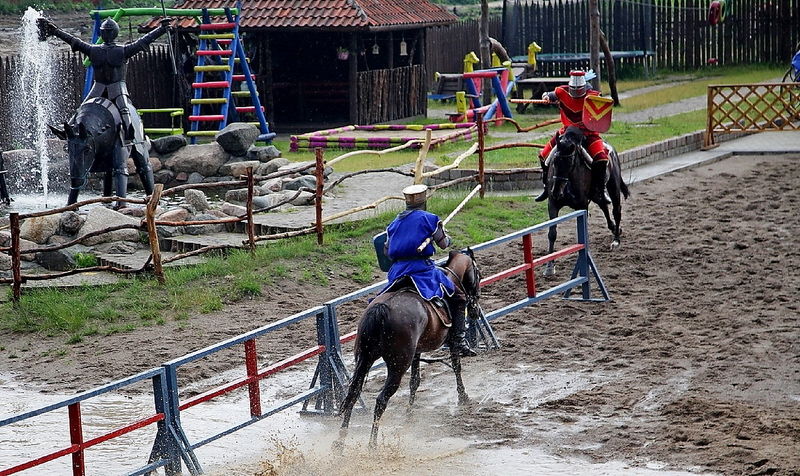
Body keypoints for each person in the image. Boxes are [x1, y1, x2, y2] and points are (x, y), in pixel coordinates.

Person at [36, 16, 172, 195]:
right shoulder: (121, 51)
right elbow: (143, 42)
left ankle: (124, 135)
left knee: (83, 110)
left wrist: (55, 31)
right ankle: (131, 136)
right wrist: (162, 29)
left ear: (102, 34)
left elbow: (74, 41)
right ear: (115, 34)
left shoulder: (94, 50)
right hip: (114, 89)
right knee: (119, 112)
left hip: (101, 88)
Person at [380, 184, 476, 357]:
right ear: (423, 201)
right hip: (421, 270)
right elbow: (444, 244)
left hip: (397, 271)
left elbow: (386, 251)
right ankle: (458, 341)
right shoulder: (429, 219)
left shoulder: (394, 224)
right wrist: (444, 236)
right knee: (459, 296)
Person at [535, 70, 610, 204]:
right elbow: (550, 94)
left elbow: (601, 108)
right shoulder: (562, 92)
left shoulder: (593, 96)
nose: (575, 91)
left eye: (578, 89)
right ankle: (547, 187)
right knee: (544, 155)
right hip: (567, 133)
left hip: (588, 134)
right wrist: (546, 96)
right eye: (573, 88)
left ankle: (600, 190)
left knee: (601, 159)